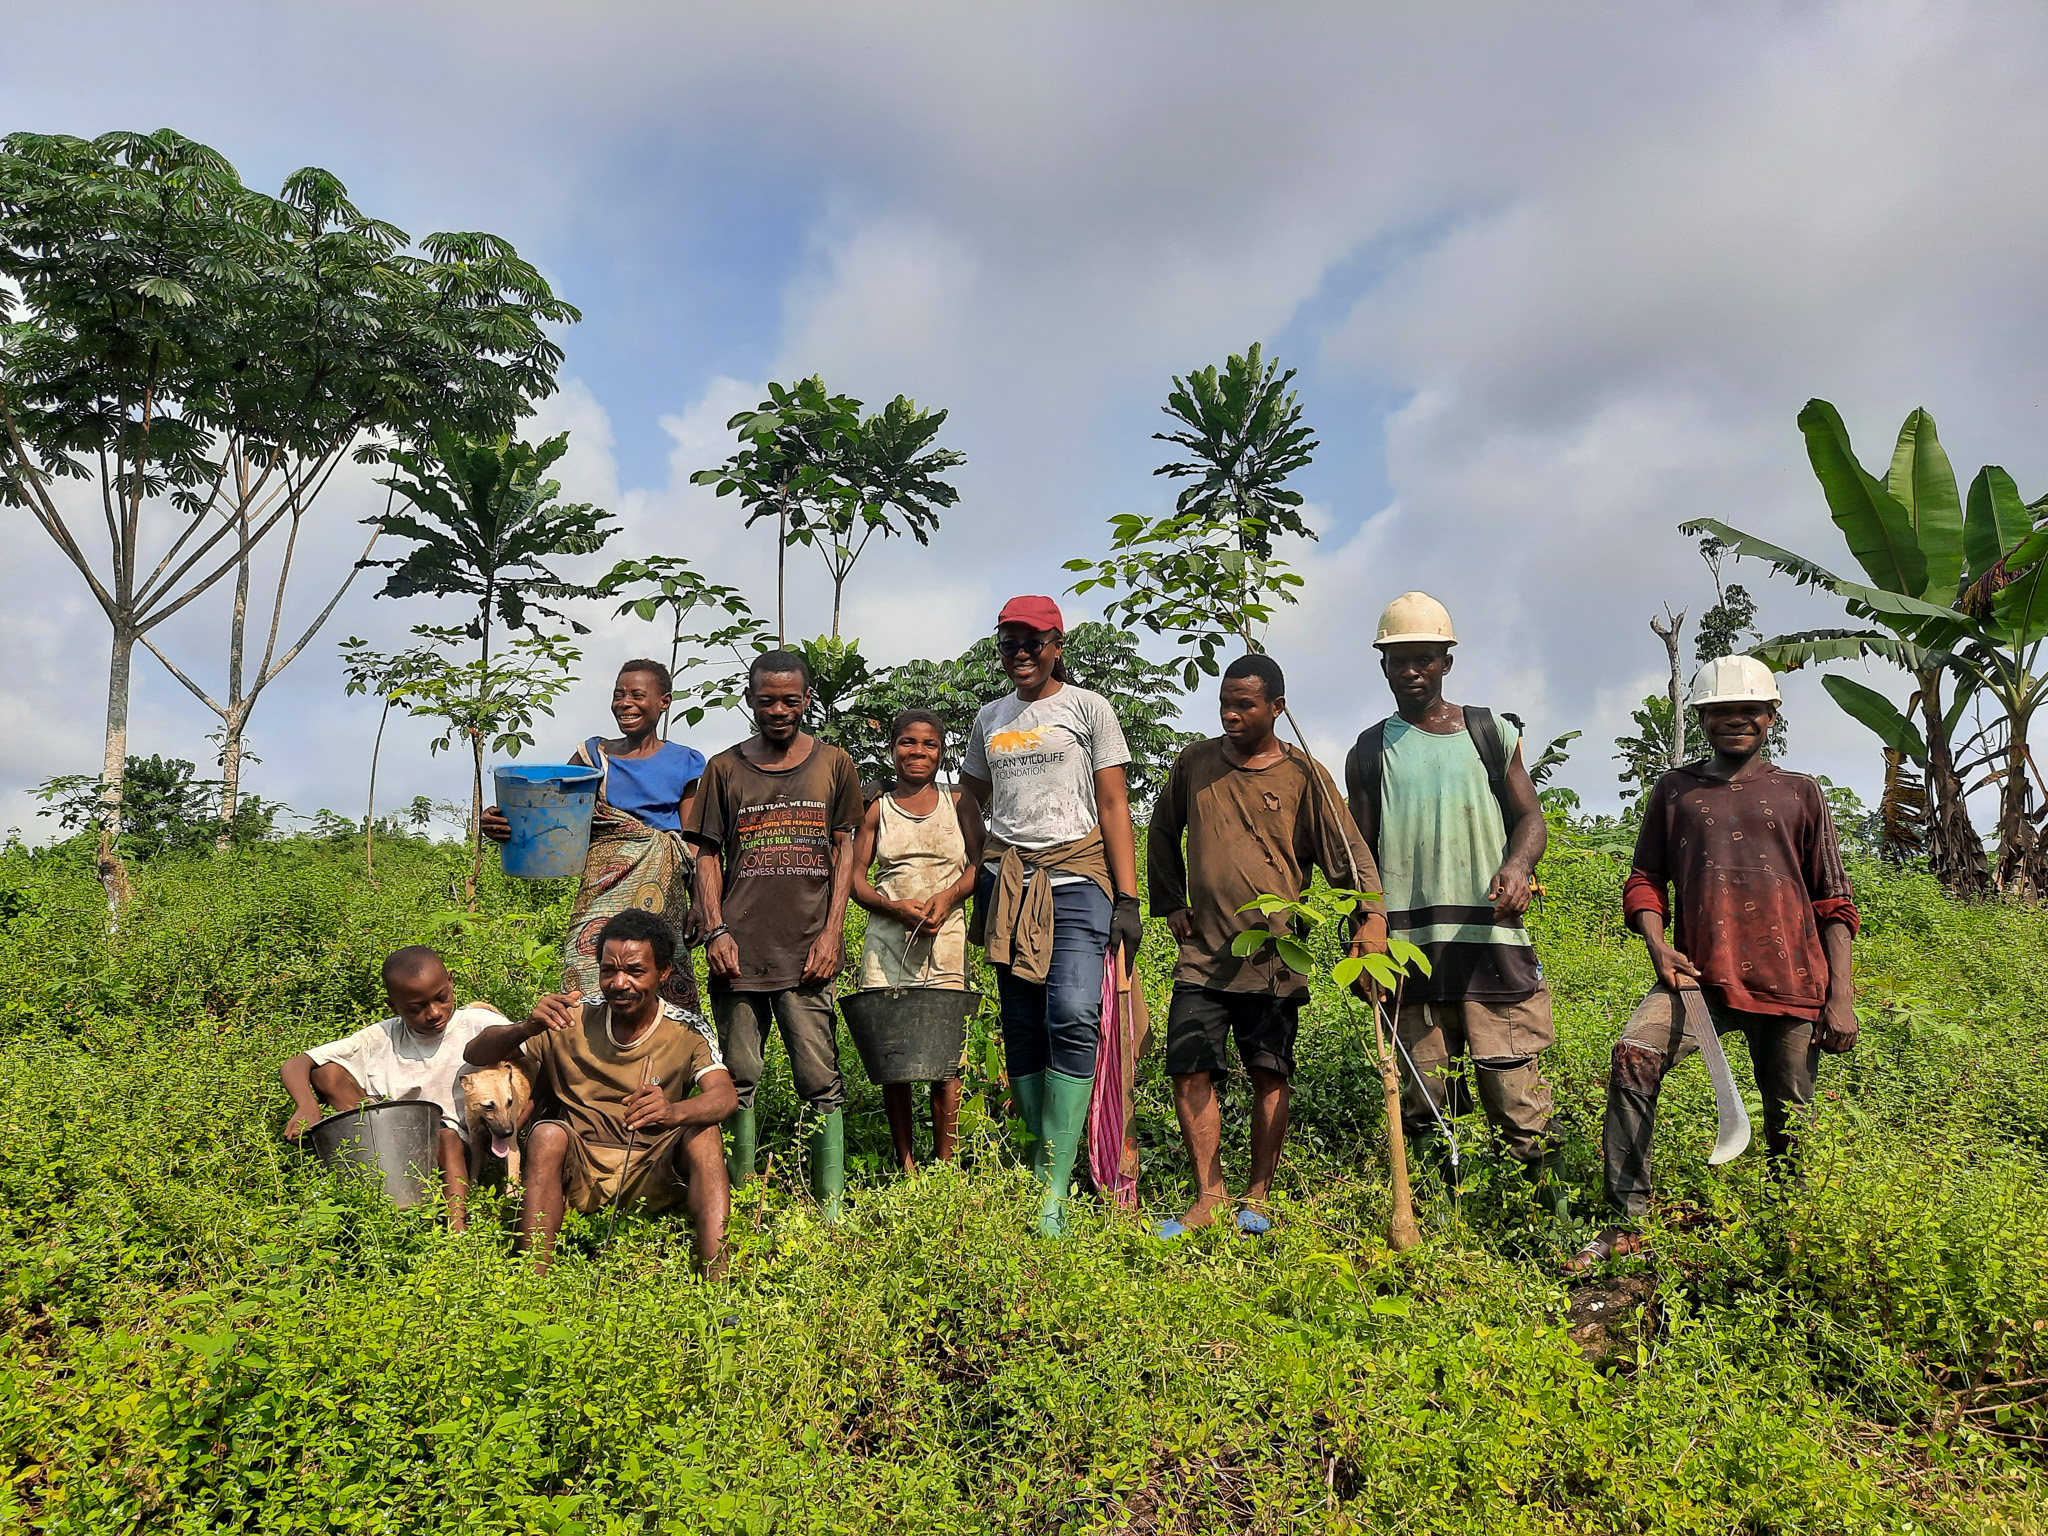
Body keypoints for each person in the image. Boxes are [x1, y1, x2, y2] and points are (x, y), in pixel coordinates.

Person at [1567, 656, 1860, 1272]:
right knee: (1633, 1058)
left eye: (1748, 711)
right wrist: (1656, 943)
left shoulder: (1800, 791)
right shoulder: (1675, 792)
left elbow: (1834, 900)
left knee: (1790, 1117)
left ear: (1770, 716)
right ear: (1701, 717)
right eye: (1721, 711)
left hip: (1791, 985)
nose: (1736, 722)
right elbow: (1645, 879)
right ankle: (1627, 1222)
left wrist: (1841, 997)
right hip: (1697, 982)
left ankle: (1791, 1235)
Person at [1148, 654, 1386, 1237]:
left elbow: (1348, 857)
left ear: (1277, 707)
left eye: (1245, 704)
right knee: (1190, 1069)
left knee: (1269, 1073)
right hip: (1203, 954)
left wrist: (1369, 921)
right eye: (1225, 702)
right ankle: (1208, 1197)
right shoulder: (1195, 762)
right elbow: (1160, 827)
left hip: (1275, 958)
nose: (1231, 713)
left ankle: (1259, 1195)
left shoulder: (1305, 775)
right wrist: (1172, 901)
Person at [1344, 591, 1565, 1215]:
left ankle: (1548, 1224)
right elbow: (1360, 854)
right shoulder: (1369, 750)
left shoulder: (1490, 733)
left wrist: (1519, 866)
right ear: (1383, 668)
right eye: (1398, 661)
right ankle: (1441, 1220)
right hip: (1410, 954)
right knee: (1423, 1098)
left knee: (1515, 1093)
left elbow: (1529, 818)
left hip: (1491, 944)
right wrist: (1363, 934)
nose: (1411, 672)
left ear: (1446, 662)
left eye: (1424, 659)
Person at [960, 596, 1143, 1237]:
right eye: (1010, 642)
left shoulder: (1088, 708)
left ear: (1057, 645)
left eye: (1034, 641)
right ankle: (1046, 1169)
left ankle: (1055, 1188)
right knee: (1022, 1022)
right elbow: (969, 797)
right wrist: (983, 858)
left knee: (1072, 1011)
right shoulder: (989, 718)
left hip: (1078, 878)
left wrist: (1128, 897)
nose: (1021, 654)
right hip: (1009, 883)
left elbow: (1114, 804)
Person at [685, 649, 864, 1221]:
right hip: (739, 952)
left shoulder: (834, 763)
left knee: (820, 1078)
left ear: (807, 700)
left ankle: (830, 1209)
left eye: (791, 700)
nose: (779, 711)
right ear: (750, 702)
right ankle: (736, 1201)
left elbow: (844, 849)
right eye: (767, 701)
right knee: (739, 1077)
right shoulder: (724, 768)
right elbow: (706, 854)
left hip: (807, 949)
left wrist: (832, 934)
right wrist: (715, 930)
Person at [464, 908, 736, 1275]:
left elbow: (724, 1096)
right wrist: (527, 1026)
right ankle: (530, 1278)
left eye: (635, 971)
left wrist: (673, 1112)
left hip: (652, 1168)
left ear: (664, 972)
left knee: (705, 1133)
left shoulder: (686, 1030)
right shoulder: (569, 1019)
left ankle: (718, 1281)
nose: (620, 983)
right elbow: (475, 1054)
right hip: (581, 1171)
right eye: (609, 971)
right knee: (545, 1133)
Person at [483, 659, 708, 1011]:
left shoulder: (686, 761)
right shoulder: (593, 756)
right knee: (586, 972)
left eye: (637, 694)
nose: (624, 702)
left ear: (664, 701)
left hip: (663, 894)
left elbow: (692, 842)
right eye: (618, 694)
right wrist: (501, 823)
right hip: (601, 886)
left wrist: (700, 904)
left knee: (655, 978)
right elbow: (551, 815)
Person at [279, 945, 503, 1231]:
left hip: (464, 1143)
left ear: (451, 980)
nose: (434, 1012)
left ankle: (457, 1230)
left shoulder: (477, 1024)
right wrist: (306, 1106)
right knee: (326, 1071)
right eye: (416, 1008)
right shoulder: (382, 1037)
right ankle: (381, 1191)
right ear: (393, 1006)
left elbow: (528, 1061)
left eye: (441, 998)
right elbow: (297, 1063)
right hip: (395, 1144)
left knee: (445, 1136)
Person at [851, 708, 987, 1173]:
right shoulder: (876, 806)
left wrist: (947, 898)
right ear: (892, 748)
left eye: (929, 744)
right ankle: (905, 1161)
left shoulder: (959, 800)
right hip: (888, 943)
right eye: (908, 742)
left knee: (947, 1054)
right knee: (896, 1053)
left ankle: (944, 1164)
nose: (918, 752)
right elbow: (856, 880)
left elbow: (980, 863)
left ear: (941, 751)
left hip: (945, 938)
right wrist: (894, 908)